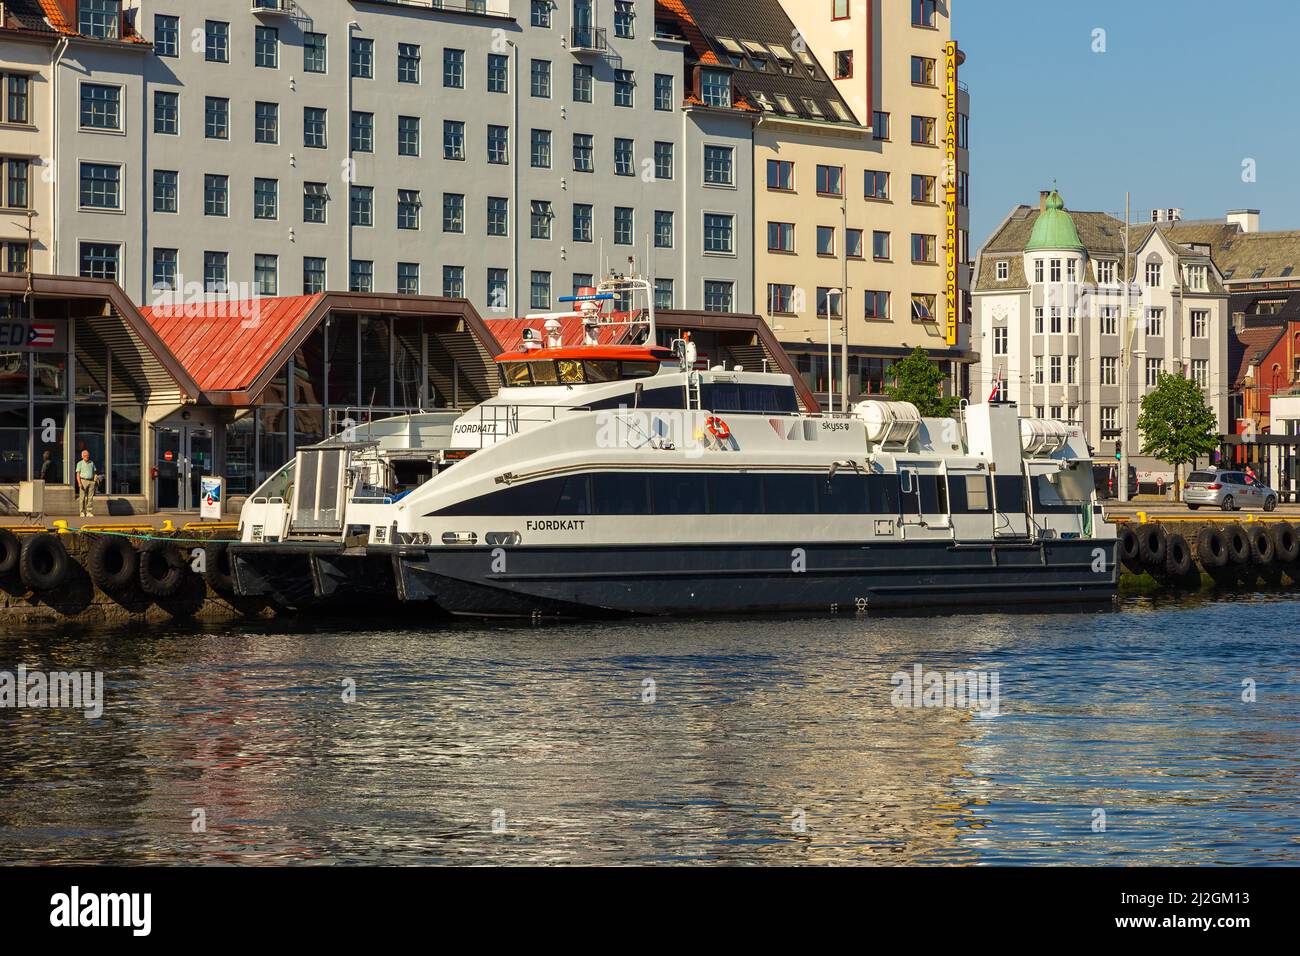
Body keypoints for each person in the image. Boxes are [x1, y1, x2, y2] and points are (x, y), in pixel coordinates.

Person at [75, 449, 98, 518]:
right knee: (82, 497)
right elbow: (78, 474)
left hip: (91, 481)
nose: (86, 456)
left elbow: (94, 472)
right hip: (83, 481)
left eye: (87, 455)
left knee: (90, 497)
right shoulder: (80, 463)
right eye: (85, 455)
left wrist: (95, 480)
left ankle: (89, 512)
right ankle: (81, 512)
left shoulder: (92, 463)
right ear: (82, 456)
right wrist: (79, 483)